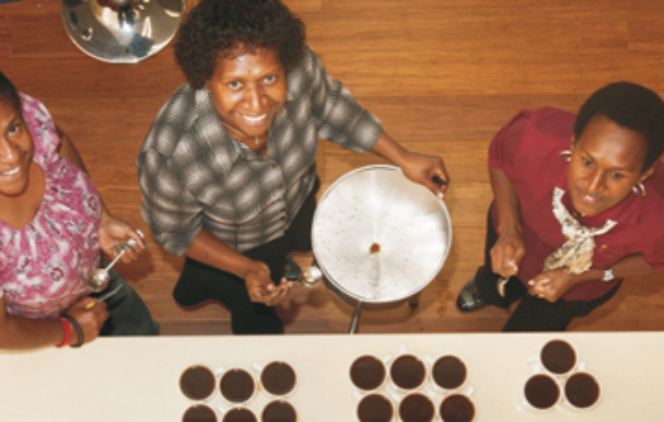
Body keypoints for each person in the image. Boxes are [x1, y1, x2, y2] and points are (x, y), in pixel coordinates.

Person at [137, 0, 450, 334]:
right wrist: (246, 268)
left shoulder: (300, 66)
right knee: (254, 316)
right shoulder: (170, 154)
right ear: (203, 79)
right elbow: (177, 231)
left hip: (298, 198)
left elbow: (333, 110)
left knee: (301, 239)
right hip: (235, 245)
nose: (258, 104)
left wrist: (403, 158)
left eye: (269, 78)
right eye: (235, 84)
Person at [0, 55, 158, 350]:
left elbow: (59, 143)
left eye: (14, 129)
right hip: (37, 330)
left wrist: (100, 220)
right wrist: (69, 331)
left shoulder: (12, 111)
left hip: (93, 276)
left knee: (143, 341)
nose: (13, 154)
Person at [456, 82, 664, 331]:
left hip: (579, 288)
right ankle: (488, 292)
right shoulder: (536, 137)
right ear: (572, 143)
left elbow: (661, 260)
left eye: (616, 175)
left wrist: (581, 275)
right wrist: (509, 228)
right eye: (587, 161)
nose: (593, 186)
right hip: (516, 233)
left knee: (529, 332)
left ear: (644, 173)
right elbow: (500, 157)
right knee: (494, 276)